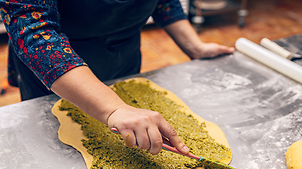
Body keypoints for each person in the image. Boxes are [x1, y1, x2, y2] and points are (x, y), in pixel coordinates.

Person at [0, 0, 235, 155]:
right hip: (55, 74)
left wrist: (194, 46)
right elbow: (33, 29)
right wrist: (112, 109)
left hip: (123, 55)